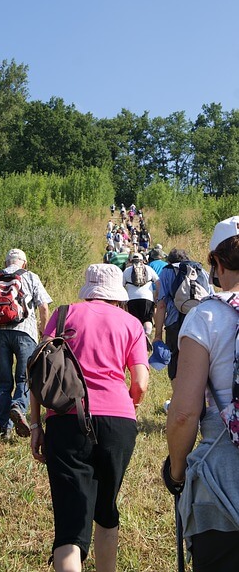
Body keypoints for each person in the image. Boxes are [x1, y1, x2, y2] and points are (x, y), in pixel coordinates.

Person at [30, 263, 149, 572]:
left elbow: (39, 371)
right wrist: (128, 406)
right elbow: (140, 382)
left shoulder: (64, 314)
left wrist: (35, 423)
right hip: (119, 422)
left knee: (71, 524)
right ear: (117, 294)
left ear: (88, 289)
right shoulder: (131, 323)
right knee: (106, 511)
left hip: (66, 418)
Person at [166, 215, 239, 571]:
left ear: (218, 264)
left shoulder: (206, 318)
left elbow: (183, 413)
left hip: (223, 486)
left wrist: (176, 472)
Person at [0, 248, 52, 440]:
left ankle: (5, 428)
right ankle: (18, 406)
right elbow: (44, 306)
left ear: (6, 263)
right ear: (24, 263)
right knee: (24, 378)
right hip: (25, 333)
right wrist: (45, 334)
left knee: (3, 381)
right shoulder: (30, 277)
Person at [153, 248, 212, 381]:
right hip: (199, 323)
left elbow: (161, 304)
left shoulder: (166, 272)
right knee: (198, 361)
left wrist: (158, 335)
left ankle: (178, 398)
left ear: (169, 261)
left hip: (175, 323)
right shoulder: (202, 272)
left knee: (175, 362)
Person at [122, 253, 160, 348]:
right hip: (147, 298)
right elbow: (158, 282)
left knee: (135, 320)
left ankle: (137, 340)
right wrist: (158, 296)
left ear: (131, 261)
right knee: (147, 319)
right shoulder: (148, 269)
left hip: (131, 299)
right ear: (143, 260)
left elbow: (121, 286)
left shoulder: (126, 271)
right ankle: (146, 334)